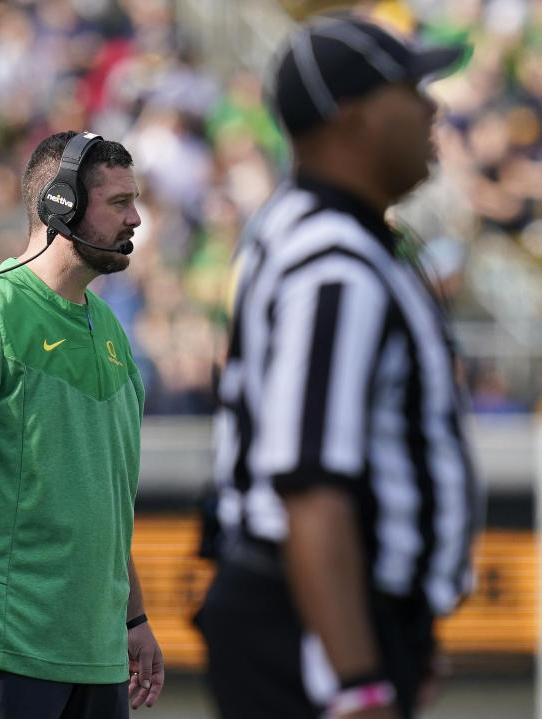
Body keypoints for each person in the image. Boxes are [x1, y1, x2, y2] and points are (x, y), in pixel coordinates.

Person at [196, 14, 482, 719]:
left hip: (323, 617)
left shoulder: (321, 233)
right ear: (351, 119)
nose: (430, 106)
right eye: (408, 88)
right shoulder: (331, 263)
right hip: (306, 628)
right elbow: (308, 481)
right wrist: (352, 675)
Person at [0, 130, 164, 719]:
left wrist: (134, 617)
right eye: (119, 203)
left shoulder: (113, 332)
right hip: (3, 653)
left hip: (98, 657)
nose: (136, 218)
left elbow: (103, 498)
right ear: (59, 205)